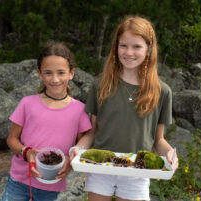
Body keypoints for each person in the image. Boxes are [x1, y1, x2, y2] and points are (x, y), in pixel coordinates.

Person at [70, 16, 179, 201]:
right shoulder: (101, 84)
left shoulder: (162, 92)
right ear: (116, 47)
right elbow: (92, 133)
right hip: (100, 167)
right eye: (123, 46)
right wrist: (77, 149)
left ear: (149, 49)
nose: (129, 52)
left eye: (137, 46)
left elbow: (158, 140)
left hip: (138, 170)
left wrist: (170, 153)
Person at [0, 41, 92, 201]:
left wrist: (70, 160)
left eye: (61, 72)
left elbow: (83, 141)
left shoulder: (79, 110)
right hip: (20, 181)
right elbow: (11, 139)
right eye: (48, 73)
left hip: (52, 183)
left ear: (72, 73)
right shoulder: (27, 103)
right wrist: (26, 152)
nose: (55, 79)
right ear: (39, 73)